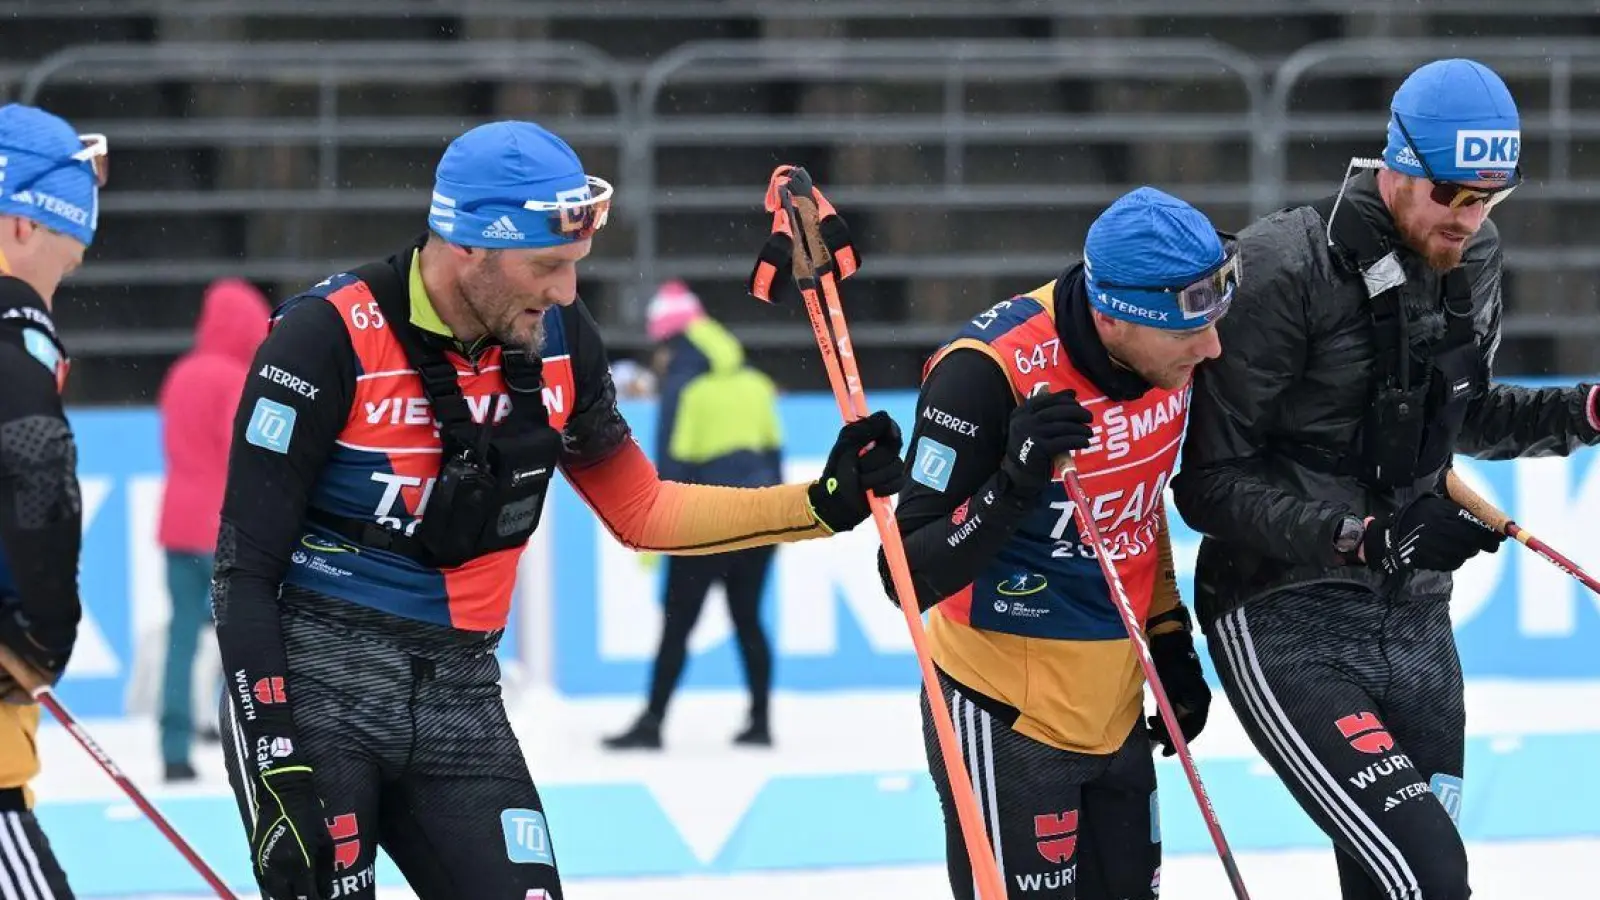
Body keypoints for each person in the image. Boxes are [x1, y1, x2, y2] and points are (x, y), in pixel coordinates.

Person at [212, 120, 905, 900]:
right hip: (320, 683)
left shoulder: (563, 338)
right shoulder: (323, 338)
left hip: (461, 689)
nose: (566, 291)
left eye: (575, 265)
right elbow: (243, 572)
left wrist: (822, 503)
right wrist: (278, 766)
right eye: (546, 266)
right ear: (467, 244)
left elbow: (641, 510)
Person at [1172, 58, 1600, 900]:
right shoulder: (1281, 268)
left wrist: (1583, 413)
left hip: (1414, 617)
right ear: (1397, 164)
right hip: (1283, 607)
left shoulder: (1473, 256)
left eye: (1491, 198)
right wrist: (1354, 536)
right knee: (1428, 873)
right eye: (1453, 195)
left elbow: (1460, 418)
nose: (1471, 220)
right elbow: (1208, 484)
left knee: (1395, 882)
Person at [885, 186, 1226, 899]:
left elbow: (1136, 507)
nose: (1212, 347)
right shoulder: (983, 373)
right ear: (1114, 318)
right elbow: (904, 574)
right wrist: (1012, 482)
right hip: (1006, 713)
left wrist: (1170, 639)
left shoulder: (1173, 355)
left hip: (1115, 709)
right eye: (1188, 333)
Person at [0, 102, 109, 899]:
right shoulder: (12, 334)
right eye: (66, 254)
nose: (67, 272)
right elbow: (37, 459)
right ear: (22, 228)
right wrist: (42, 633)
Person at [604, 280, 785, 750]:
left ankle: (652, 722)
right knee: (748, 618)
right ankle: (761, 722)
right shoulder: (757, 385)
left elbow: (673, 466)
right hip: (759, 519)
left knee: (678, 623)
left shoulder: (688, 392)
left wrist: (653, 534)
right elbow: (774, 458)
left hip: (703, 520)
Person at [155, 277, 270, 782]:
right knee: (242, 632)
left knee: (182, 636)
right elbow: (244, 455)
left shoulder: (180, 374)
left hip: (177, 520)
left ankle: (174, 743)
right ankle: (236, 729)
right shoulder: (238, 379)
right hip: (224, 524)